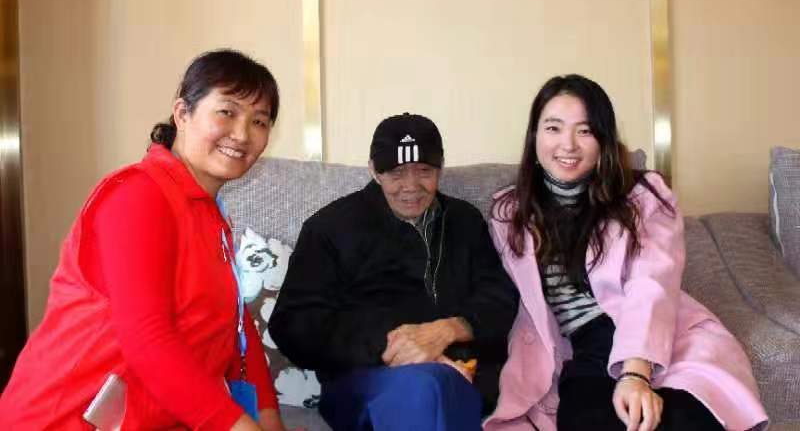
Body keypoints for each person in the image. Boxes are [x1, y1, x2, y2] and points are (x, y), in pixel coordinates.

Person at [0, 50, 290, 430]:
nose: (242, 134)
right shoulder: (139, 196)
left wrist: (269, 418)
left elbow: (236, 324)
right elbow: (148, 339)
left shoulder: (208, 212)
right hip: (64, 420)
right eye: (227, 112)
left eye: (259, 121)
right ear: (182, 113)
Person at [483, 75, 768, 431]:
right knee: (586, 420)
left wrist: (635, 373)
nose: (568, 144)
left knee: (680, 418)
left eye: (585, 131)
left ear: (604, 140)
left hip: (655, 333)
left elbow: (651, 283)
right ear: (534, 136)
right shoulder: (508, 213)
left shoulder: (643, 195)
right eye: (553, 128)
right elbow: (497, 295)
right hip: (582, 350)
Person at [268, 112, 519, 431]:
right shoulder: (330, 228)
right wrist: (395, 346)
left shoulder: (464, 221)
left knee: (445, 390)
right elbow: (293, 324)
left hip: (464, 375)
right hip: (366, 381)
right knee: (424, 389)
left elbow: (501, 300)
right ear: (374, 170)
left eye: (424, 171)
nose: (411, 187)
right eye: (396, 172)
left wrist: (449, 330)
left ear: (441, 168)